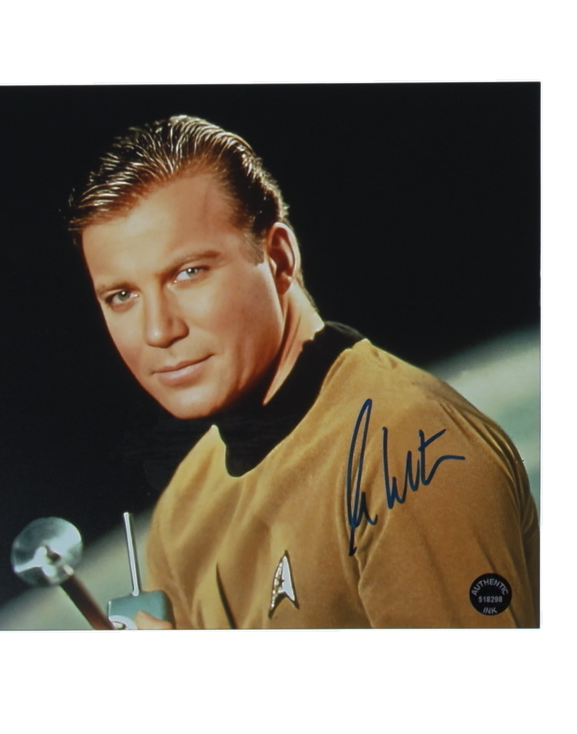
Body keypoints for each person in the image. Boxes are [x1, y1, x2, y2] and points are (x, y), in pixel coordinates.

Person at [68, 115, 539, 629]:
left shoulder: (409, 448)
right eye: (122, 296)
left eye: (188, 272)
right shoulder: (182, 511)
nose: (158, 330)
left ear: (278, 258)